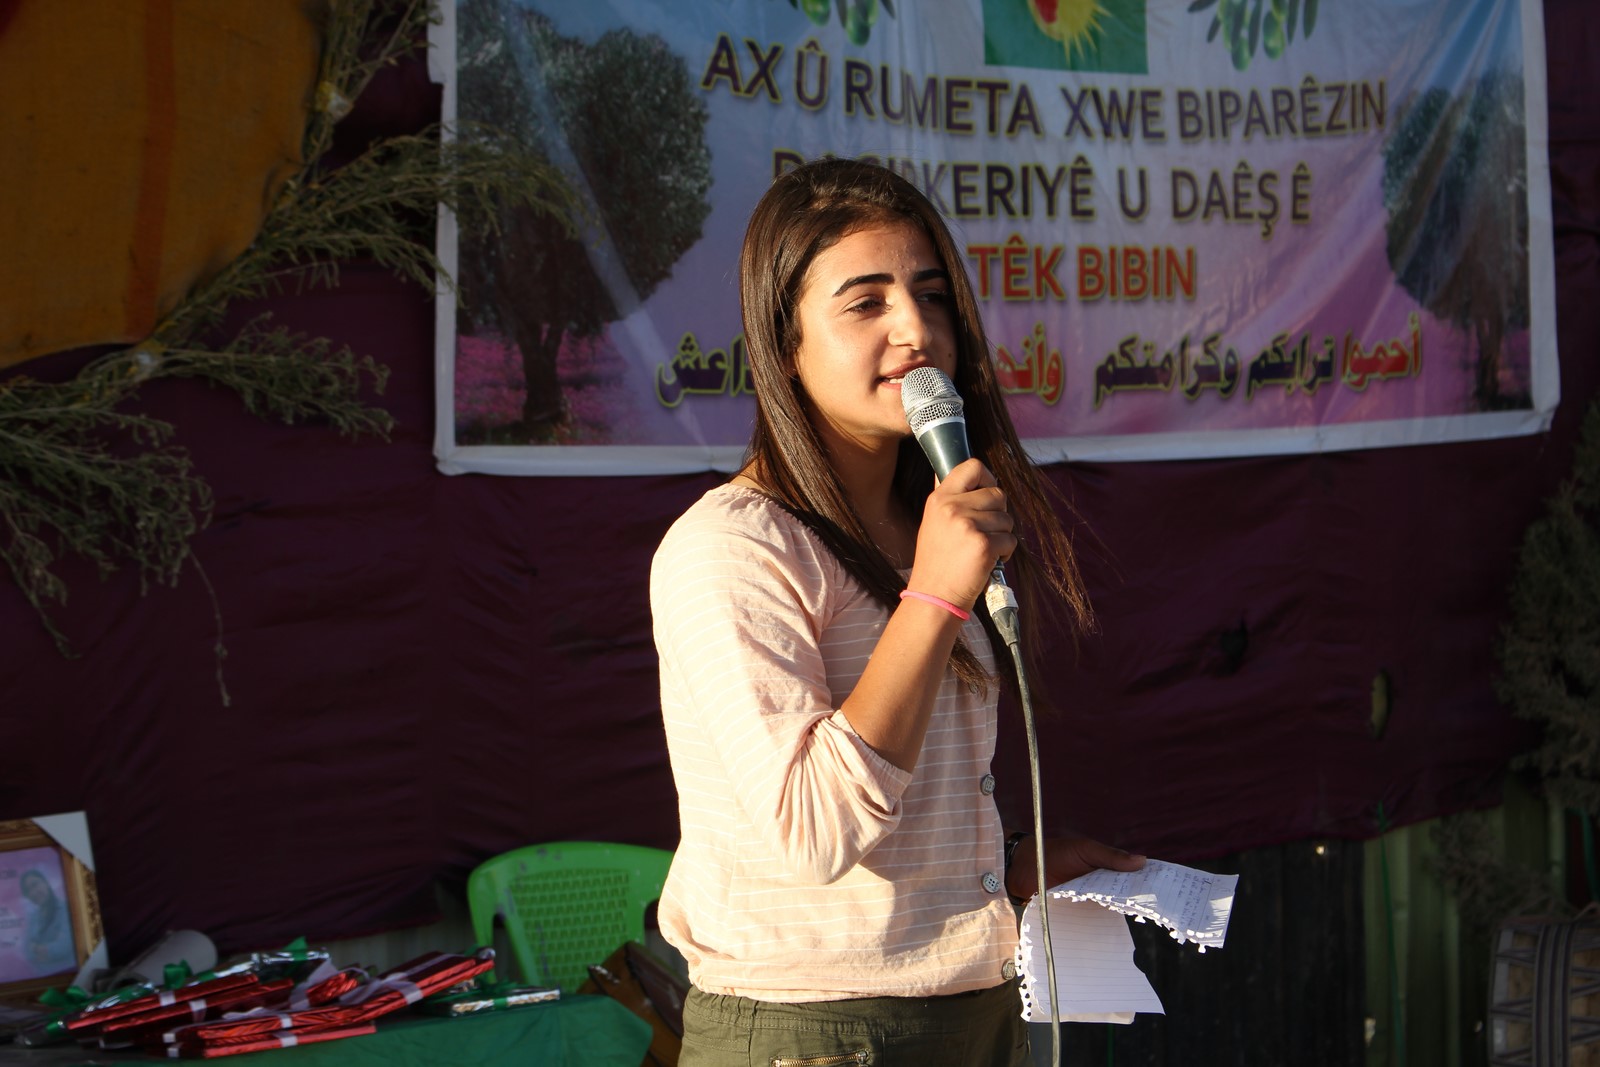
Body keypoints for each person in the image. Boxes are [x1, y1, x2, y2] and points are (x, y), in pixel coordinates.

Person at [649, 157, 1143, 1067]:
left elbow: (900, 800)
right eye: (866, 302)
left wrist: (1004, 862)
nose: (916, 329)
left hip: (972, 1014)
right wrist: (935, 596)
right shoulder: (731, 546)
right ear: (784, 344)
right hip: (815, 1035)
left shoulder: (924, 528)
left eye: (931, 295)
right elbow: (813, 831)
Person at [20, 868, 75, 976]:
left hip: (67, 974)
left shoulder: (66, 908)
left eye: (35, 884)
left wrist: (36, 947)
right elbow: (26, 949)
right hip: (41, 976)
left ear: (46, 883)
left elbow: (65, 946)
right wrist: (40, 949)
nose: (33, 893)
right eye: (28, 891)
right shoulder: (34, 917)